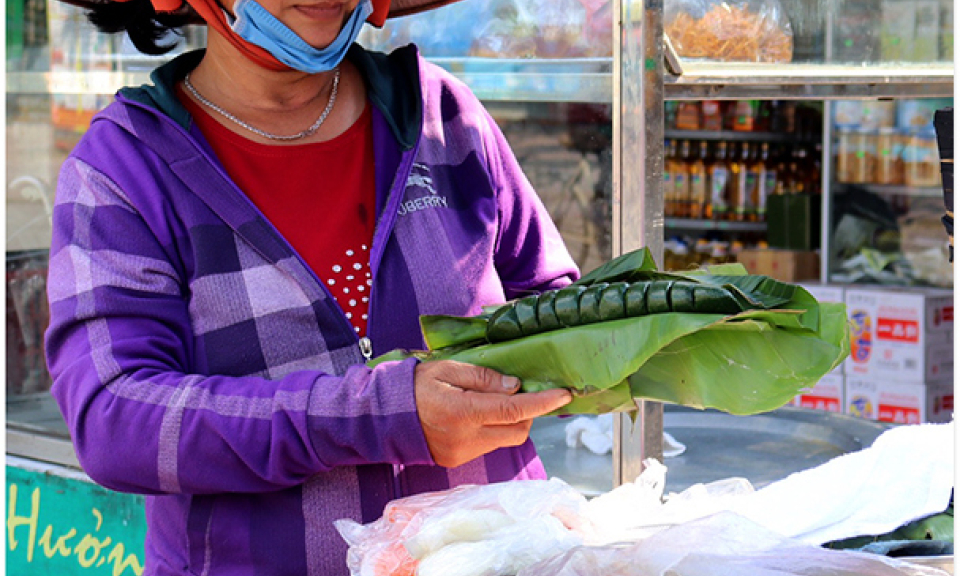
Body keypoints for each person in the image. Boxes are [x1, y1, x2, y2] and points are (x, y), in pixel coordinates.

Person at [43, 0, 579, 573]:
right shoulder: (124, 169)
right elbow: (115, 419)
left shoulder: (440, 117)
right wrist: (378, 414)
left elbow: (546, 299)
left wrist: (622, 336)